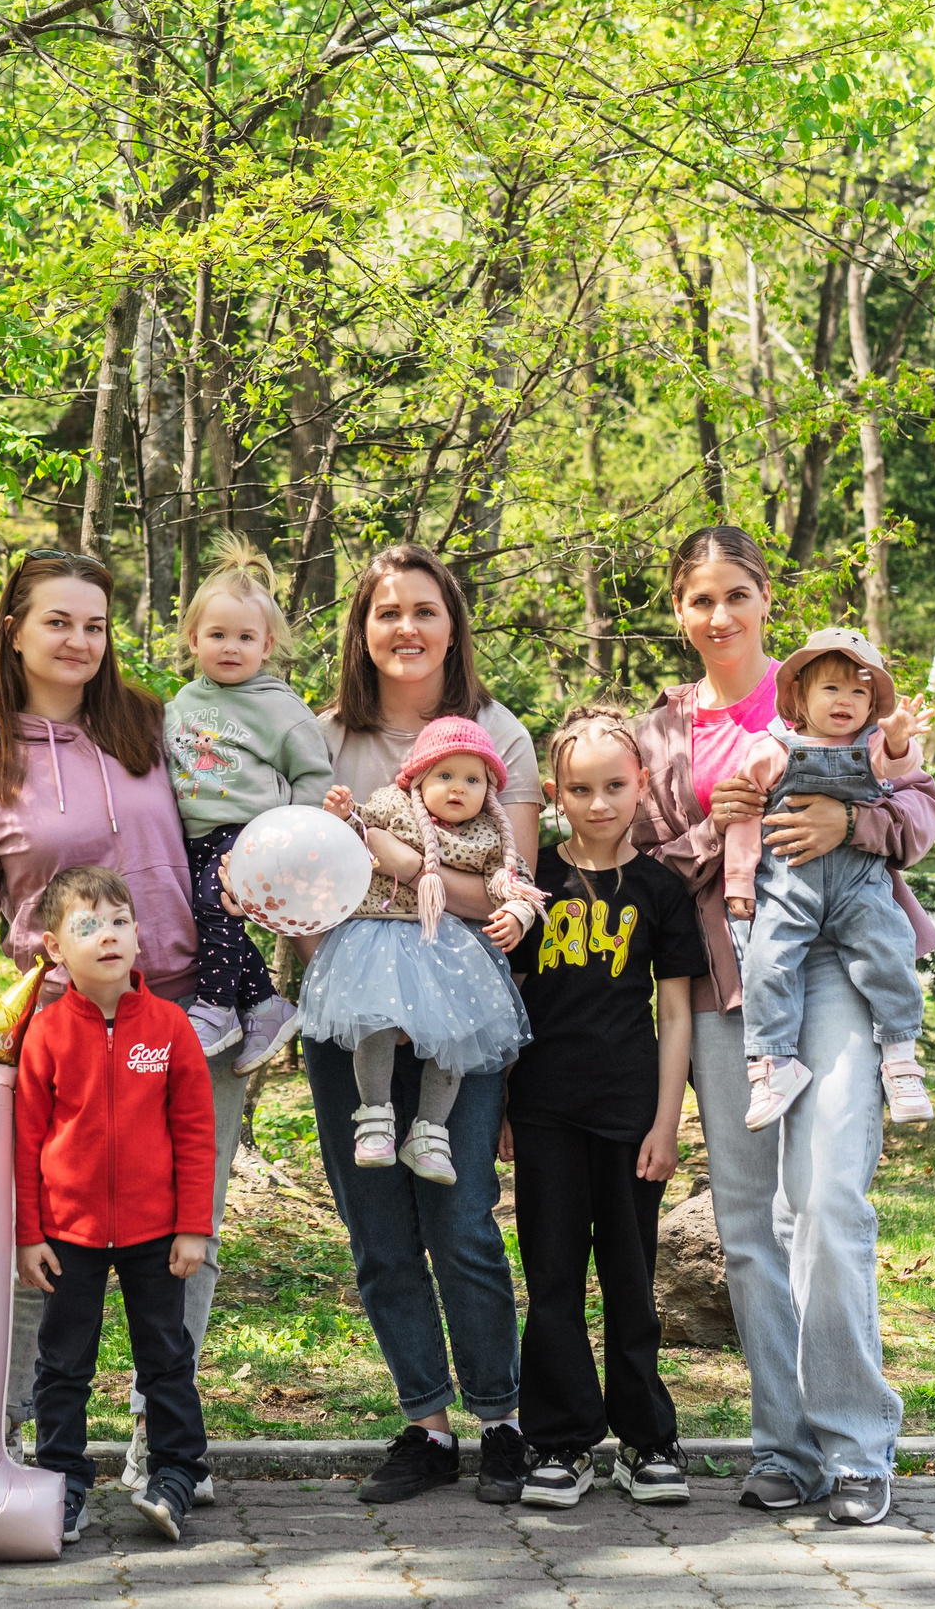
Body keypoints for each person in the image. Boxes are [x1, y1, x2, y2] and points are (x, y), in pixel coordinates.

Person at [0, 549, 237, 1499]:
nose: (80, 641)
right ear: (14, 630)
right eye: (58, 622)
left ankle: (165, 1446)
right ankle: (19, 1449)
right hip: (56, 1033)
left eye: (95, 625)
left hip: (184, 1020)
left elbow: (238, 810)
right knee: (49, 1248)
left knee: (182, 1246)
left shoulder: (153, 726)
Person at [631, 525, 935, 1528]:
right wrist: (718, 822)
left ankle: (856, 1447)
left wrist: (852, 823)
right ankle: (786, 1448)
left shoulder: (828, 681)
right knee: (750, 1226)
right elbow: (638, 853)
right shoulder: (661, 729)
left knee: (828, 1198)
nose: (719, 614)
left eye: (737, 593)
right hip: (729, 983)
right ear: (679, 612)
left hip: (838, 973)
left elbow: (920, 809)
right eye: (700, 598)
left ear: (765, 597)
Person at [302, 543, 539, 1506]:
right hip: (350, 1007)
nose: (406, 627)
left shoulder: (498, 733)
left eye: (425, 610)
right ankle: (426, 1426)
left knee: (461, 1216)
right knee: (377, 1228)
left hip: (459, 1010)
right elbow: (301, 878)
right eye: (387, 611)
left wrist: (395, 872)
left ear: (452, 625)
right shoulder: (324, 738)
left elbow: (512, 890)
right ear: (362, 629)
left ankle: (503, 1419)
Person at [502, 707, 705, 1509]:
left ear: (641, 785)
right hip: (546, 1112)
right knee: (551, 1278)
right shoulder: (533, 885)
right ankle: (560, 1442)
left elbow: (677, 1015)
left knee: (630, 1280)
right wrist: (505, 1104)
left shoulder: (660, 889)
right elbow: (511, 998)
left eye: (615, 786)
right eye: (580, 789)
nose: (598, 803)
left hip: (630, 1117)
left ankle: (647, 1438)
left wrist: (667, 1124)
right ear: (555, 794)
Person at [15, 866, 215, 1544]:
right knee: (63, 1363)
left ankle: (176, 1475)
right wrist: (29, 1234)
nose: (109, 936)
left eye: (120, 922)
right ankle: (62, 1483)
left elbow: (195, 1133)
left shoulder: (169, 1026)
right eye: (88, 925)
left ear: (137, 935)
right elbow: (25, 1142)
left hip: (156, 1233)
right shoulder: (45, 1032)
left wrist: (193, 1226)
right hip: (67, 1235)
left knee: (166, 1357)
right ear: (54, 947)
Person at [305, 716, 543, 1183]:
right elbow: (356, 835)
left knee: (454, 1040)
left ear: (489, 790)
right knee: (375, 1023)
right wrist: (343, 815)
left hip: (452, 953)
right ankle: (374, 1117)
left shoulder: (489, 834)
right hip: (382, 938)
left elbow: (519, 885)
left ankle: (430, 1132)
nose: (458, 788)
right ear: (417, 778)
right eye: (445, 775)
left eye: (473, 780)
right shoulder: (393, 805)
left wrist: (518, 914)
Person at [722, 629, 935, 1128]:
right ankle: (774, 1064)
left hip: (859, 886)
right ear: (799, 696)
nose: (846, 700)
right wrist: (738, 881)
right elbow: (745, 816)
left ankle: (900, 1061)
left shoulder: (873, 745)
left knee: (887, 951)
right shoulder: (772, 749)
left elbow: (897, 767)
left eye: (859, 692)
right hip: (787, 885)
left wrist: (898, 738)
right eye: (832, 688)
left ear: (873, 705)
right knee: (766, 961)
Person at [164, 537, 334, 1073]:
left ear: (266, 645)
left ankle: (216, 1009)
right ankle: (264, 1004)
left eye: (245, 637)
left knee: (217, 904)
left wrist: (288, 842)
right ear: (194, 639)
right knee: (206, 915)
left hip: (252, 833)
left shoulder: (279, 708)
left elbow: (314, 774)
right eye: (217, 635)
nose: (230, 648)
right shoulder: (182, 703)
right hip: (193, 835)